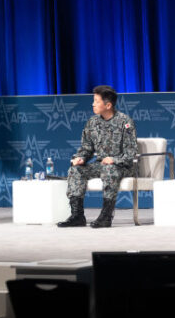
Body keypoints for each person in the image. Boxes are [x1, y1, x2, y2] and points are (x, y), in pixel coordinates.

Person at [57, 85, 138, 228]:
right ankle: (77, 215)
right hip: (101, 165)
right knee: (75, 170)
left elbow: (131, 153)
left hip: (123, 166)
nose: (92, 104)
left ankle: (106, 216)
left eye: (96, 101)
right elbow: (86, 148)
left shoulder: (125, 122)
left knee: (109, 169)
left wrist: (114, 159)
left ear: (108, 105)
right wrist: (81, 158)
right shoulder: (92, 123)